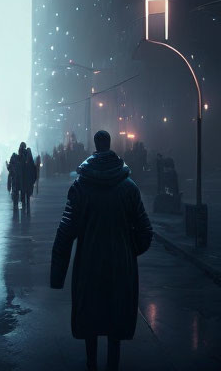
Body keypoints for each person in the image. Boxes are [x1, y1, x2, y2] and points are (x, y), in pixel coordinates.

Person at [50, 130, 153, 371]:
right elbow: (146, 232)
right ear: (110, 144)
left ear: (95, 146)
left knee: (91, 320)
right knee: (116, 320)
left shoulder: (81, 187)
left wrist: (57, 275)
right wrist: (128, 250)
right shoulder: (129, 187)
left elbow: (65, 232)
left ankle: (91, 365)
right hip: (120, 265)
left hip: (89, 264)